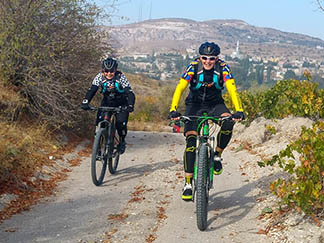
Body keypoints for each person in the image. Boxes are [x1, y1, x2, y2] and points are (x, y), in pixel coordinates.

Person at [168, 42, 245, 200]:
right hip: (194, 105)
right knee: (190, 142)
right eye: (204, 58)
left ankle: (217, 155)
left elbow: (232, 88)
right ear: (200, 57)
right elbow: (180, 87)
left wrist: (239, 110)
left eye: (211, 58)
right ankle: (188, 183)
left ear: (217, 58)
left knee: (228, 122)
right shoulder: (193, 67)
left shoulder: (223, 68)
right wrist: (173, 109)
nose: (208, 61)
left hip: (215, 104)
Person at [81, 57, 135, 154]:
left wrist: (130, 105)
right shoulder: (99, 77)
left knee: (120, 123)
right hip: (107, 102)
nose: (109, 73)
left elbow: (130, 93)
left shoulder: (120, 77)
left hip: (121, 102)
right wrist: (85, 102)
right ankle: (97, 146)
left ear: (115, 70)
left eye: (111, 71)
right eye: (106, 71)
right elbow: (92, 90)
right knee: (99, 122)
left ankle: (122, 141)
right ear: (103, 70)